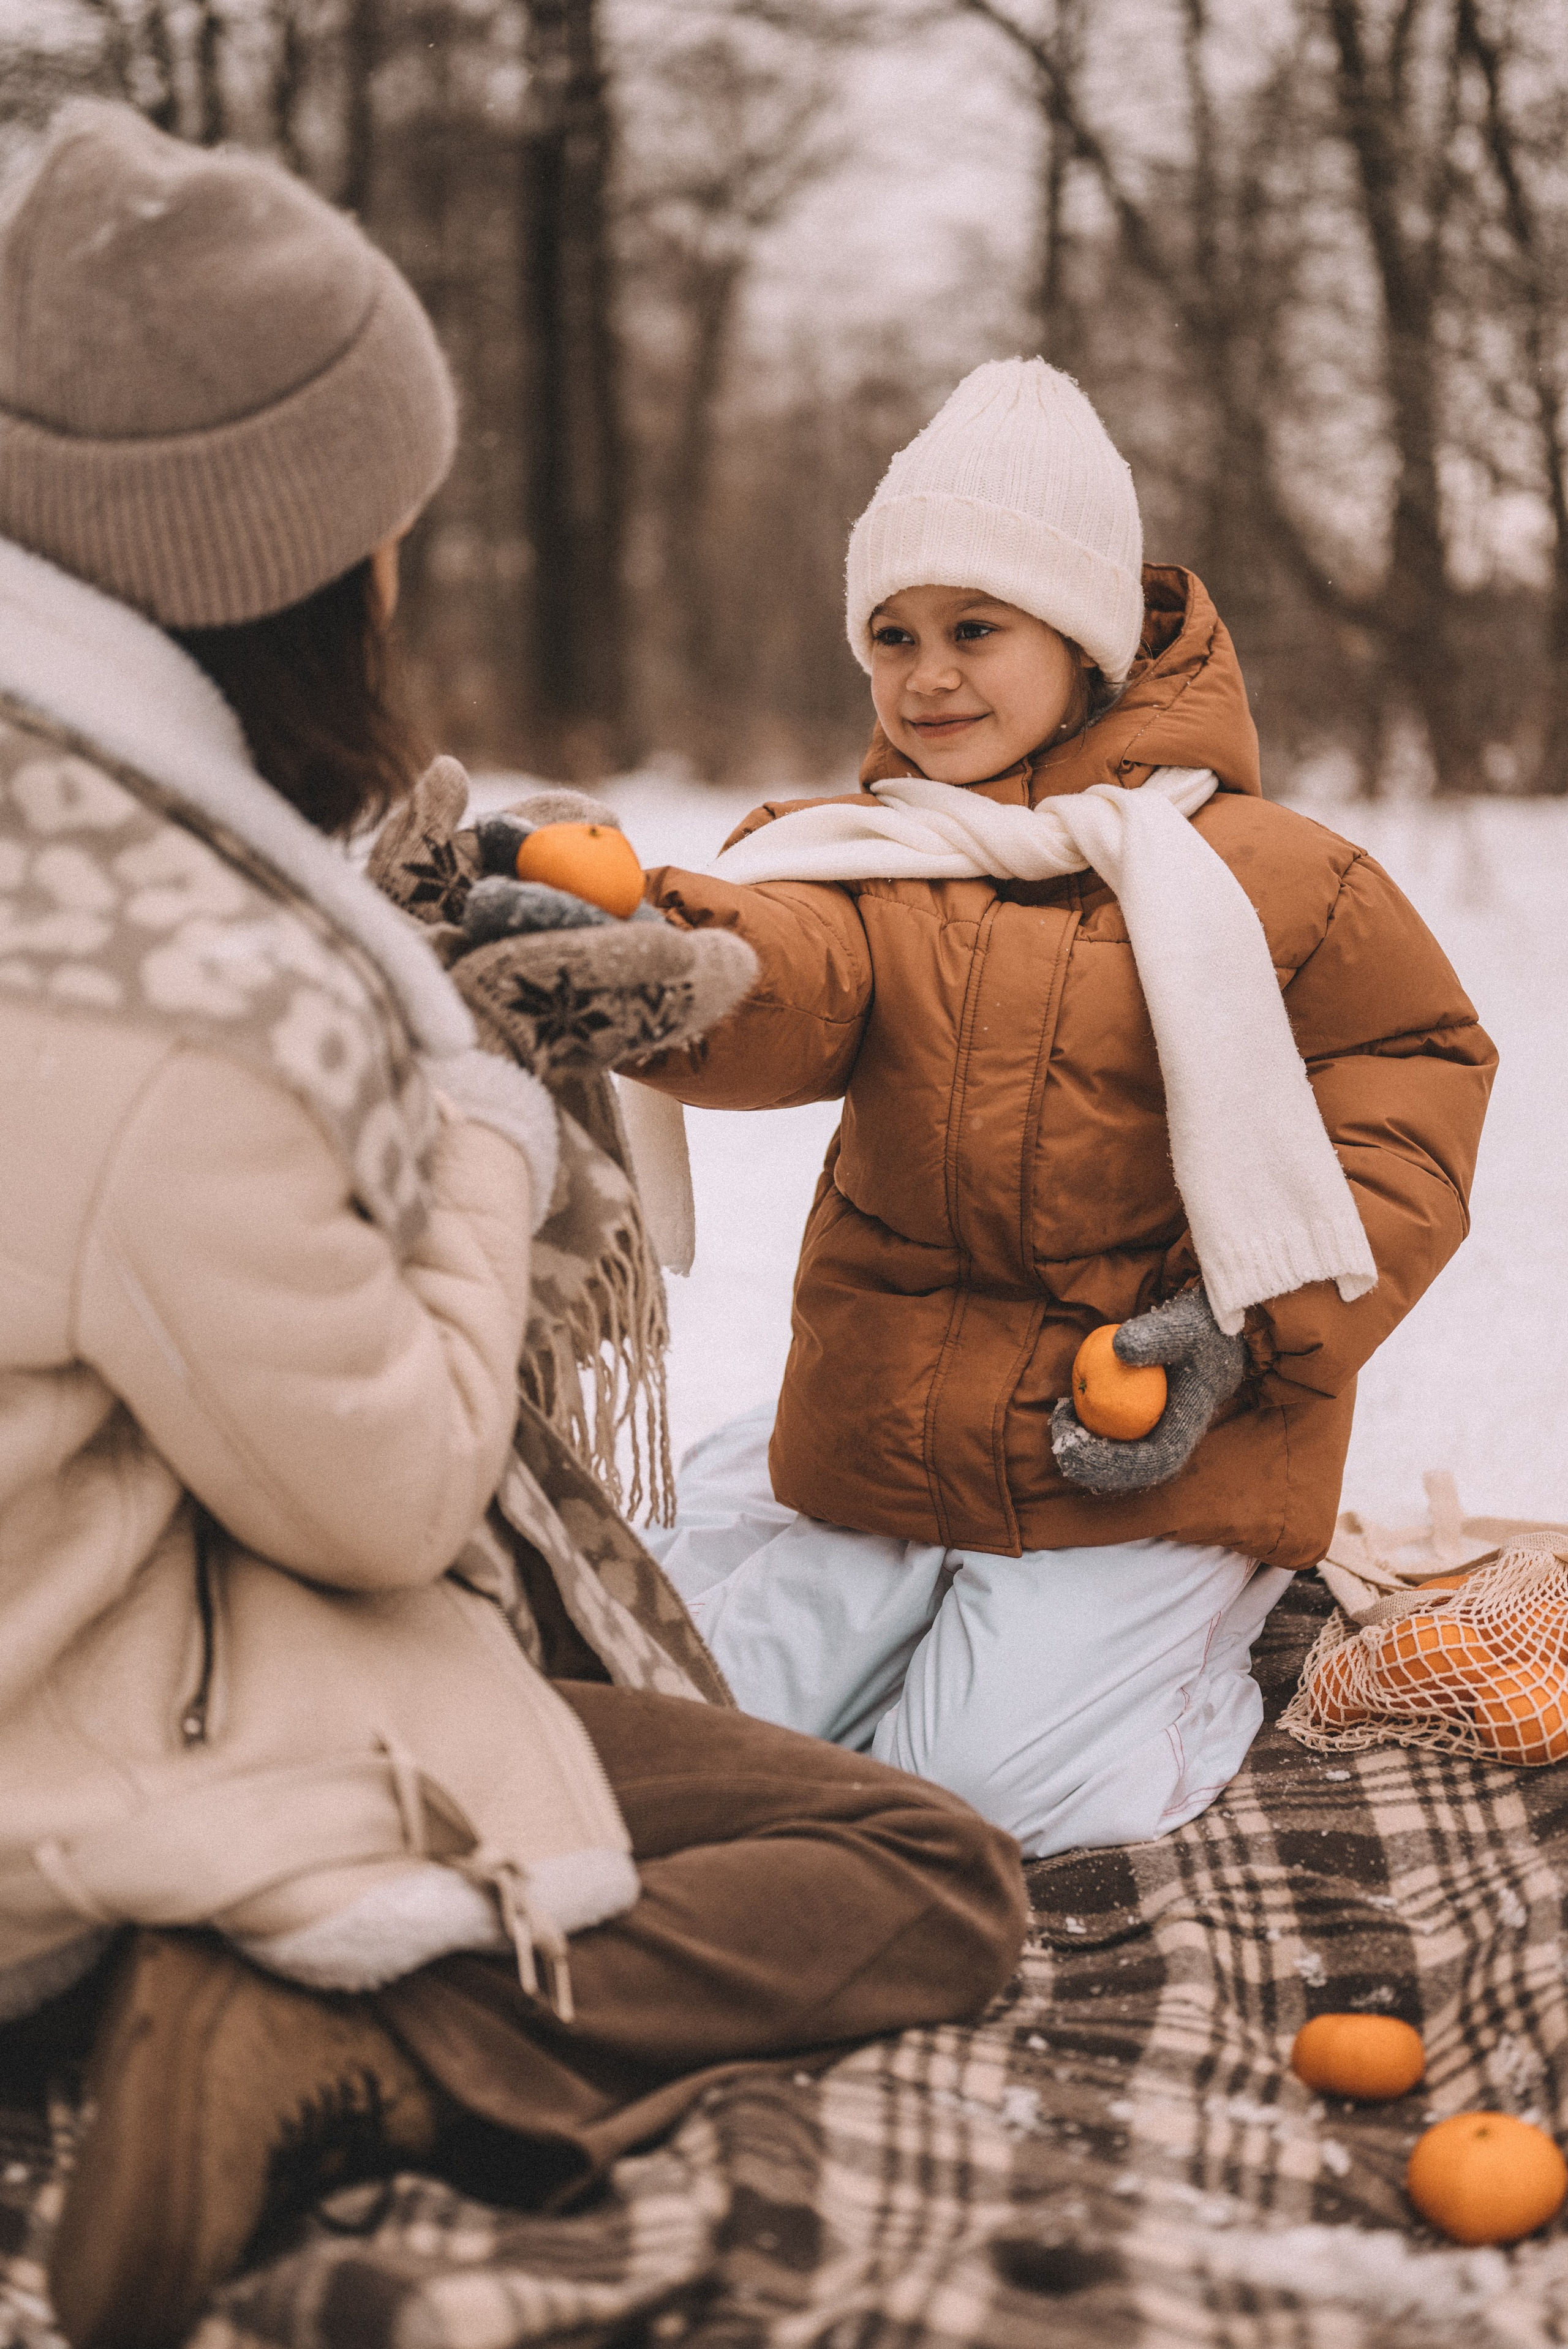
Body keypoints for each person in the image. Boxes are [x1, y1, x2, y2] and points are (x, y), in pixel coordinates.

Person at [0, 107, 1028, 2349]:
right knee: (928, 1861)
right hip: (103, 1748)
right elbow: (384, 1489)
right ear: (276, 560)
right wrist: (481, 1120)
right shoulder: (183, 1002)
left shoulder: (79, 857)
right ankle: (354, 2022)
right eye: (384, 532)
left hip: (86, 1617)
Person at [620, 357, 1496, 1861]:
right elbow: (784, 982)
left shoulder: (1277, 878)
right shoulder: (858, 859)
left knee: (982, 1796)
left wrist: (1237, 1336)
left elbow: (1406, 1091)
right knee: (718, 1734)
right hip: (894, 1427)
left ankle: (1196, 1640)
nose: (925, 676)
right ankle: (857, 1572)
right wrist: (648, 970)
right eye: (891, 635)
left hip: (1157, 1451)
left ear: (1081, 639)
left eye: (975, 628)